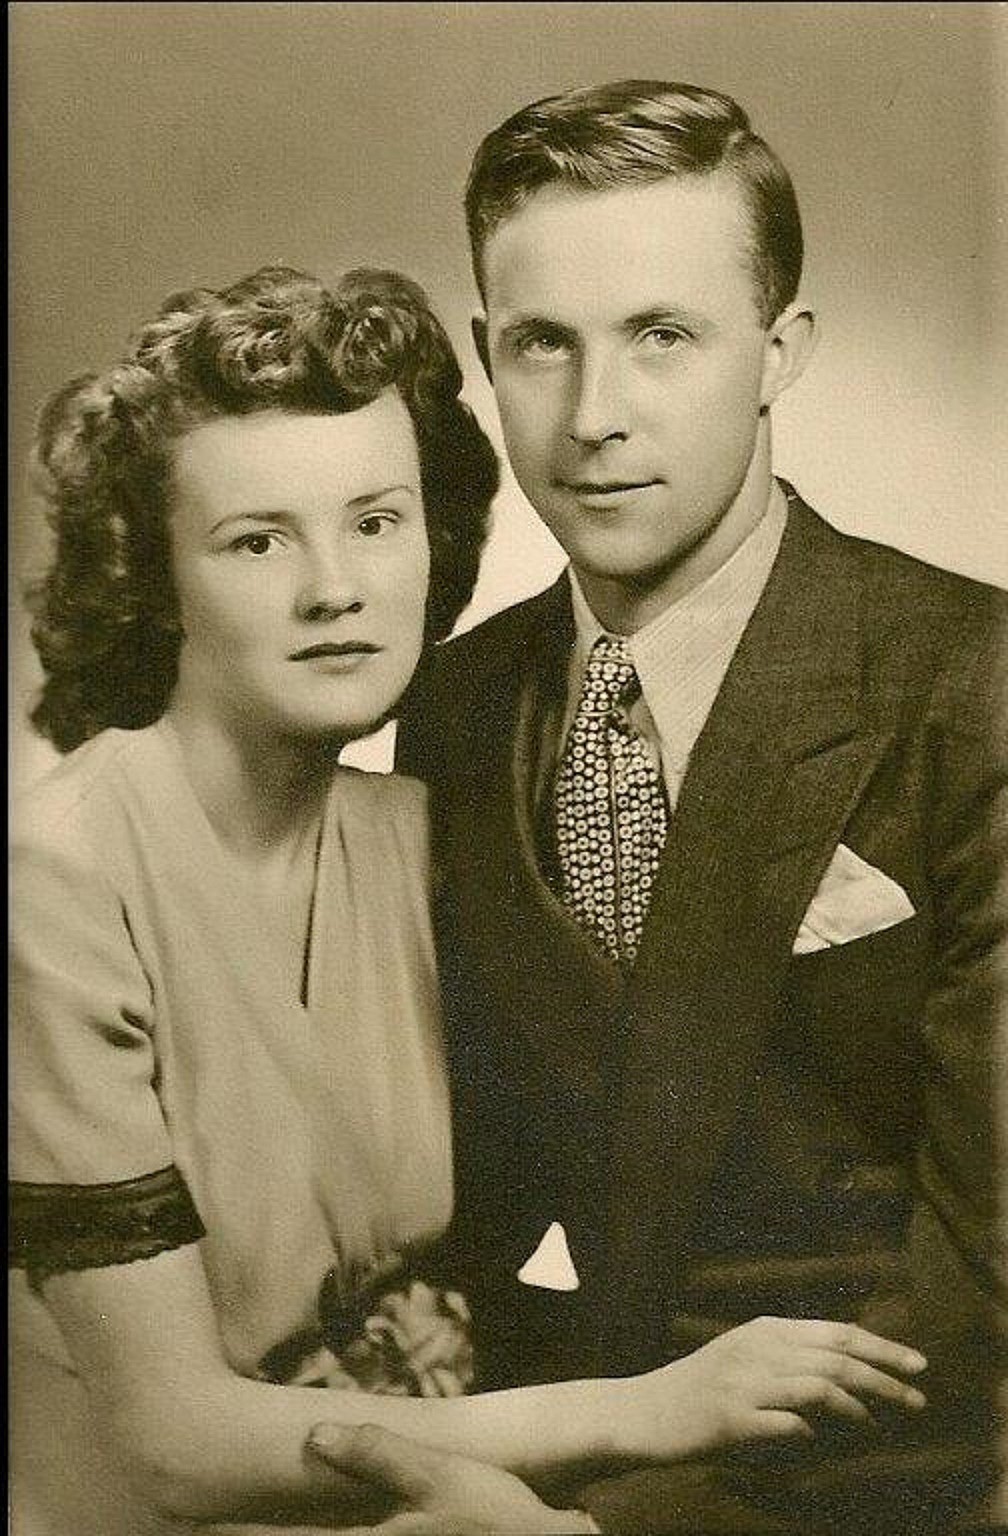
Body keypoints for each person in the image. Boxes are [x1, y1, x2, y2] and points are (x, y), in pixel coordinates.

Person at [8, 264, 929, 1536]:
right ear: (154, 574)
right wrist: (647, 1407)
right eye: (257, 539)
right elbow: (175, 1442)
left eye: (376, 521)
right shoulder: (52, 876)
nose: (336, 587)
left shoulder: (418, 826)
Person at [320, 79, 1006, 1535]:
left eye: (662, 338)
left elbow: (986, 1280)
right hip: (543, 1438)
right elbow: (483, 1179)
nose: (593, 418)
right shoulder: (453, 702)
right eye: (541, 346)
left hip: (874, 1479)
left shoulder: (974, 681)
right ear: (484, 358)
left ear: (778, 353)